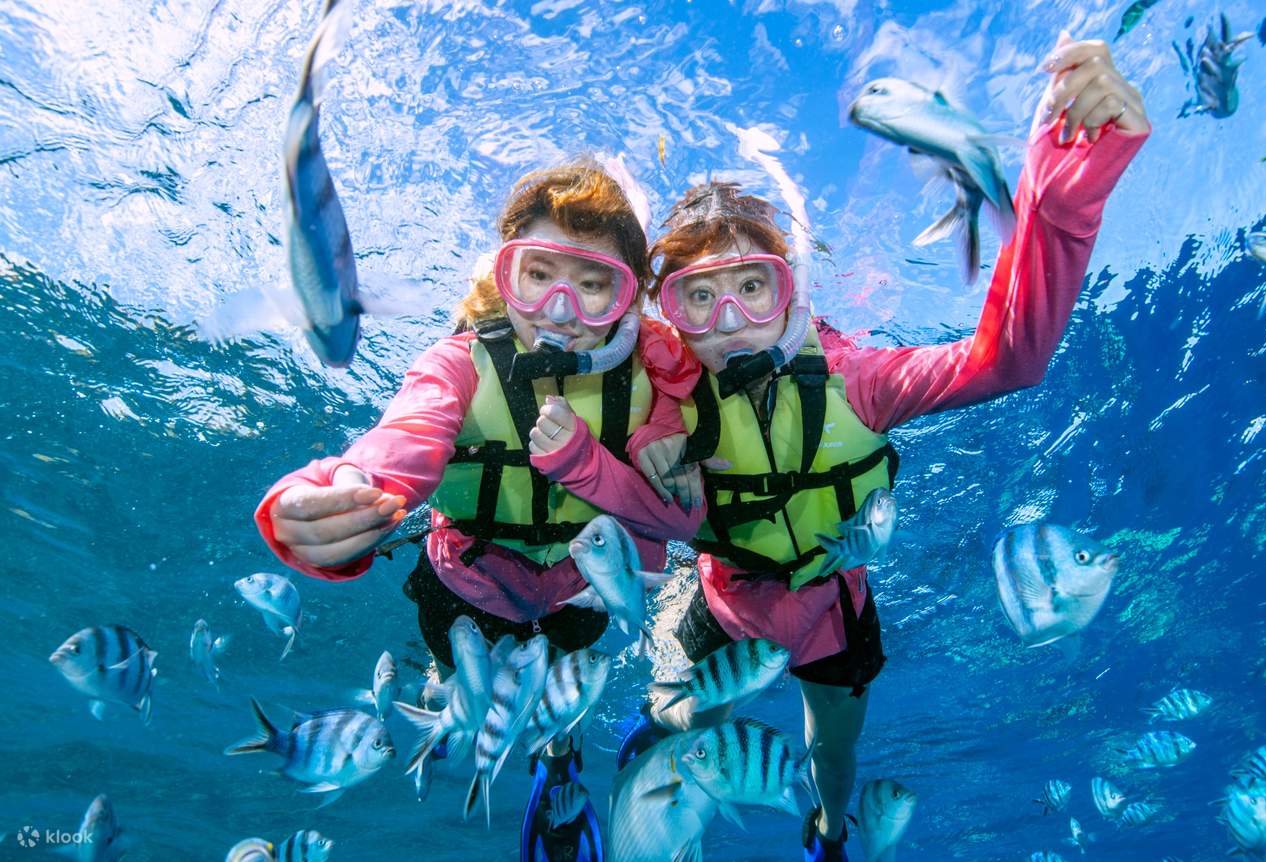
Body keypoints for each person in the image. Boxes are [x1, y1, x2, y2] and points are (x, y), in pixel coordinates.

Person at [630, 34, 1151, 862]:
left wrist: (1066, 182)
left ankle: (829, 835)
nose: (728, 322)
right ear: (672, 314)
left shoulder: (856, 380)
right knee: (687, 718)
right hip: (723, 596)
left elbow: (1010, 357)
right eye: (699, 298)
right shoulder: (657, 399)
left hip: (830, 607)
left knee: (831, 754)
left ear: (788, 293)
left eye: (751, 288)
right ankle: (658, 763)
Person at [253, 159, 702, 862]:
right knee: (458, 685)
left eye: (594, 286)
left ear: (628, 297)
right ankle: (452, 701)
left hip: (586, 590)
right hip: (465, 587)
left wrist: (664, 438)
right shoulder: (458, 363)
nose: (561, 311)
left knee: (558, 701)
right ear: (503, 276)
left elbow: (683, 442)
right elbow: (401, 437)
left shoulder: (661, 373)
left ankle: (558, 765)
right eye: (539, 276)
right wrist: (330, 489)